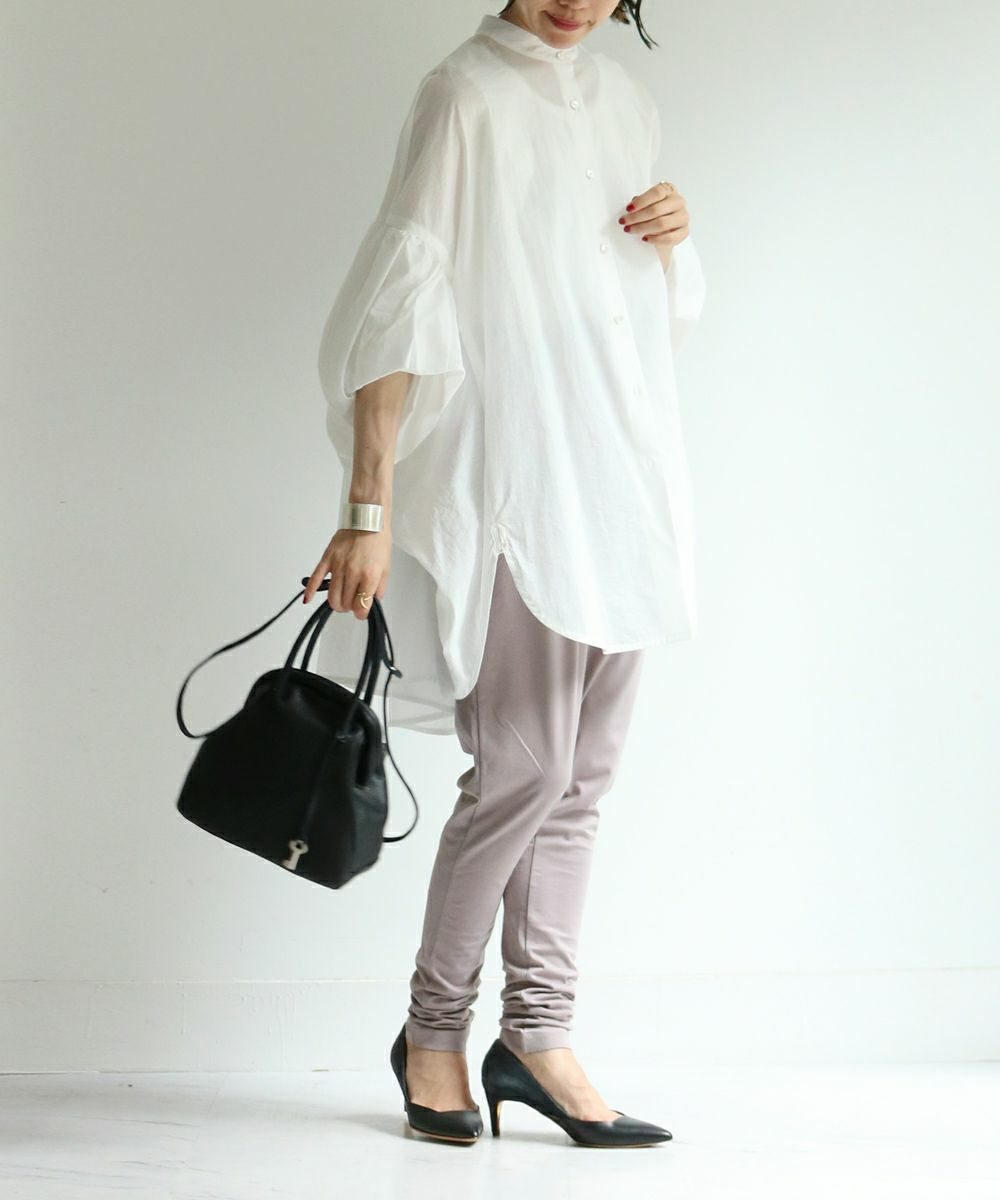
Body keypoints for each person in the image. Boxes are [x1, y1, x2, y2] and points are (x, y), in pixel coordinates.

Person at [306, 0, 706, 1147]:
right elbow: (401, 301)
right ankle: (433, 1032)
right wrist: (368, 507)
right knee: (522, 772)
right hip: (518, 483)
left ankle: (538, 1035)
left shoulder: (624, 101)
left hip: (621, 482)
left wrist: (673, 238)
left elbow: (634, 313)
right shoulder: (462, 97)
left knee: (581, 782)